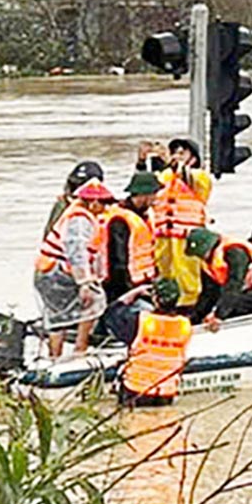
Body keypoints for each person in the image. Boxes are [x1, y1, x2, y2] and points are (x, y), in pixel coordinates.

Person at [33, 176, 112, 357]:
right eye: (104, 203)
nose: (106, 208)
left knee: (57, 317)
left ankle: (55, 356)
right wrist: (84, 282)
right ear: (93, 202)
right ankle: (78, 350)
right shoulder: (79, 220)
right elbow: (76, 252)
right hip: (55, 273)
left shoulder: (79, 214)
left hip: (49, 271)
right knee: (93, 301)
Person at [96, 172, 159, 342]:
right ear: (143, 195)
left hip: (141, 280)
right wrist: (128, 290)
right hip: (120, 284)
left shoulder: (143, 216)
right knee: (118, 315)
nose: (156, 199)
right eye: (154, 195)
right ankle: (106, 339)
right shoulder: (120, 220)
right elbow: (118, 259)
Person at [152, 138, 214, 307]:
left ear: (193, 159)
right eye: (175, 153)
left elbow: (186, 177)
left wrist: (170, 163)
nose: (177, 156)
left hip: (187, 235)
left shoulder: (201, 177)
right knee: (164, 271)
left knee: (186, 273)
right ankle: (165, 302)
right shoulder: (166, 176)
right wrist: (144, 161)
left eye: (182, 153)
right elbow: (148, 186)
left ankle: (188, 306)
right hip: (163, 233)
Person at [119, 280, 193, 408]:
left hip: (136, 388)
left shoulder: (140, 321)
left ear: (155, 299)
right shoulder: (185, 325)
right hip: (166, 390)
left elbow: (111, 313)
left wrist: (134, 293)